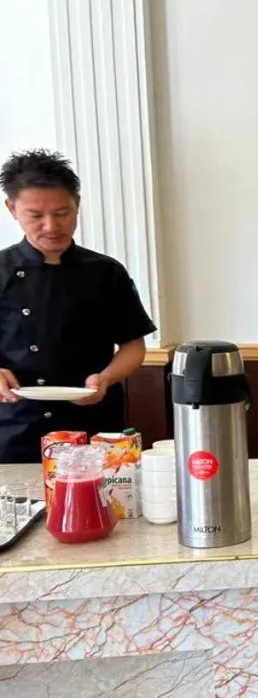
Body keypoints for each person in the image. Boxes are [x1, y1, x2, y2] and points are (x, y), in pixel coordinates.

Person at [0, 150, 156, 463]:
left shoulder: (106, 272)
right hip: (14, 428)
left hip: (94, 426)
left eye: (62, 213)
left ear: (77, 205)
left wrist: (107, 378)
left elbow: (133, 345)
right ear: (12, 209)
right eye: (36, 215)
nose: (51, 226)